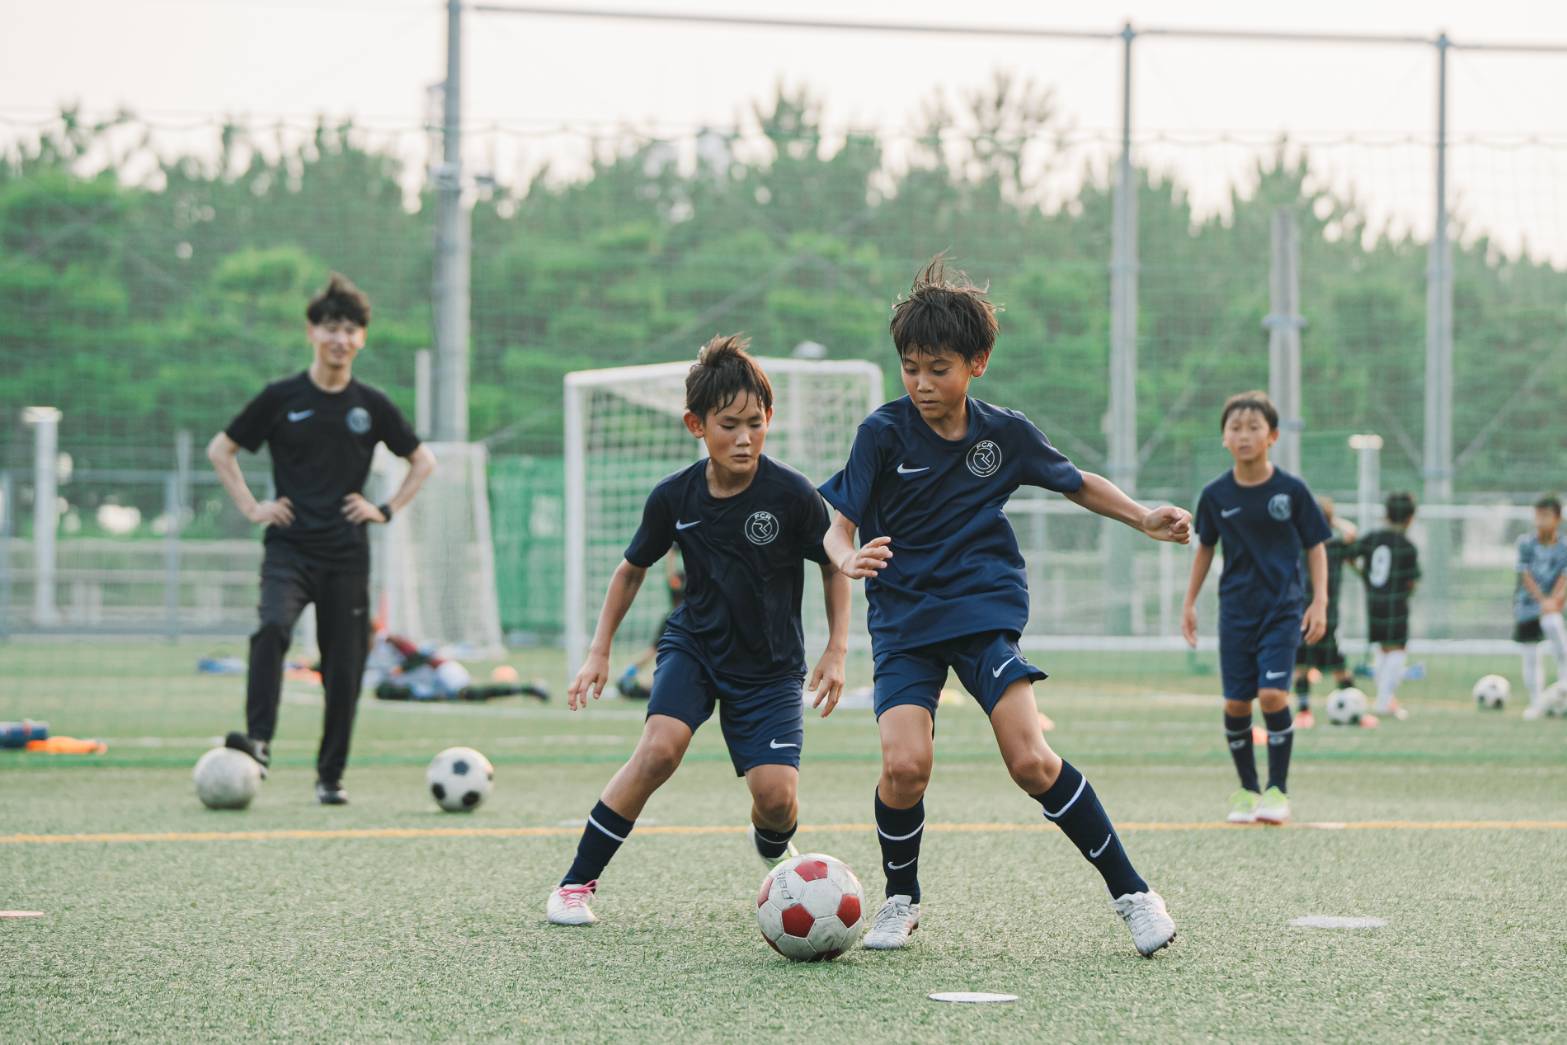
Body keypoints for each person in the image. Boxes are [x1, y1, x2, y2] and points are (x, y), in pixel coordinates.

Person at [820, 258, 1187, 958]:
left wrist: (1142, 516)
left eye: (938, 369)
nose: (922, 384)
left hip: (981, 612)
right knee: (904, 766)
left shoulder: (1004, 434)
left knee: (1030, 761)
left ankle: (1135, 894)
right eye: (910, 368)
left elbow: (1074, 481)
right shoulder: (881, 433)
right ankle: (901, 899)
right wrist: (844, 556)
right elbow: (837, 522)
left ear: (976, 364)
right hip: (903, 622)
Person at [547, 334, 851, 926]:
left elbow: (834, 565)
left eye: (755, 424)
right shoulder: (673, 496)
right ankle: (574, 884)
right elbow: (630, 571)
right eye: (729, 425)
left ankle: (771, 840)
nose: (744, 438)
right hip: (694, 648)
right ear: (696, 425)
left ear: (769, 420)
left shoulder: (792, 493)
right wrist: (598, 651)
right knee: (658, 750)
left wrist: (836, 650)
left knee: (777, 801)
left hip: (770, 667)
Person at [207, 273, 436, 805]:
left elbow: (422, 461)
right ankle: (258, 742)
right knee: (271, 628)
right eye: (331, 328)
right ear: (312, 332)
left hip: (346, 556)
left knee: (344, 667)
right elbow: (222, 449)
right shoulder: (281, 397)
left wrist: (384, 509)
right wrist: (253, 507)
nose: (341, 338)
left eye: (351, 330)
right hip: (288, 549)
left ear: (362, 339)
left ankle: (330, 776)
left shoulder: (371, 404)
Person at [1182, 391, 1330, 827]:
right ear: (1224, 438)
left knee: (1272, 695)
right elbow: (1205, 548)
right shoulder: (1215, 495)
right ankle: (1247, 791)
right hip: (1236, 612)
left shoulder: (1291, 490)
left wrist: (1319, 601)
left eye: (1253, 428)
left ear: (1273, 436)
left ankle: (1277, 791)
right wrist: (1189, 603)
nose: (1244, 435)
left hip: (1283, 609)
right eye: (1235, 428)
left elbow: (1315, 546)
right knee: (1236, 704)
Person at [1291, 496, 1359, 728]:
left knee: (1334, 665)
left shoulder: (1334, 548)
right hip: (1305, 615)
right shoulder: (1300, 547)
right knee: (1305, 665)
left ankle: (1352, 707)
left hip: (1324, 617)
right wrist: (1334, 521)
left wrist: (1331, 520)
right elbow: (1351, 532)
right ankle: (1304, 712)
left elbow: (1352, 535)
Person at [1356, 492, 1421, 720]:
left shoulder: (1372, 539)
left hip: (1374, 602)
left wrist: (1366, 577)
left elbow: (1350, 554)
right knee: (1397, 650)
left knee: (1383, 648)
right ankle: (1384, 701)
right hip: (1396, 604)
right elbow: (1412, 581)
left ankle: (1385, 697)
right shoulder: (1407, 546)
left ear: (1386, 515)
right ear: (1410, 518)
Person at [366, 632, 549, 703]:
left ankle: (528, 689)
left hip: (441, 672)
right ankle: (438, 697)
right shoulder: (365, 655)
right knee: (384, 691)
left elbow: (420, 657)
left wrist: (401, 669)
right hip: (423, 686)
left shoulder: (390, 641)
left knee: (469, 694)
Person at [1515, 494, 1567, 720]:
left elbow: (1564, 576)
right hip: (1528, 606)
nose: (1540, 521)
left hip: (1556, 606)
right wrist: (1542, 601)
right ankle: (1536, 703)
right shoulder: (1526, 543)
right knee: (1531, 655)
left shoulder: (1564, 547)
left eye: (1546, 516)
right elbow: (1524, 574)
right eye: (1538, 516)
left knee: (1557, 635)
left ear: (1557, 519)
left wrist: (1555, 601)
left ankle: (1563, 691)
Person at [615, 554, 685, 700]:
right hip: (680, 620)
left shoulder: (694, 580)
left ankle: (640, 682)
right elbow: (671, 575)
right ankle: (632, 677)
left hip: (686, 622)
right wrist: (671, 553)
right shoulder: (681, 581)